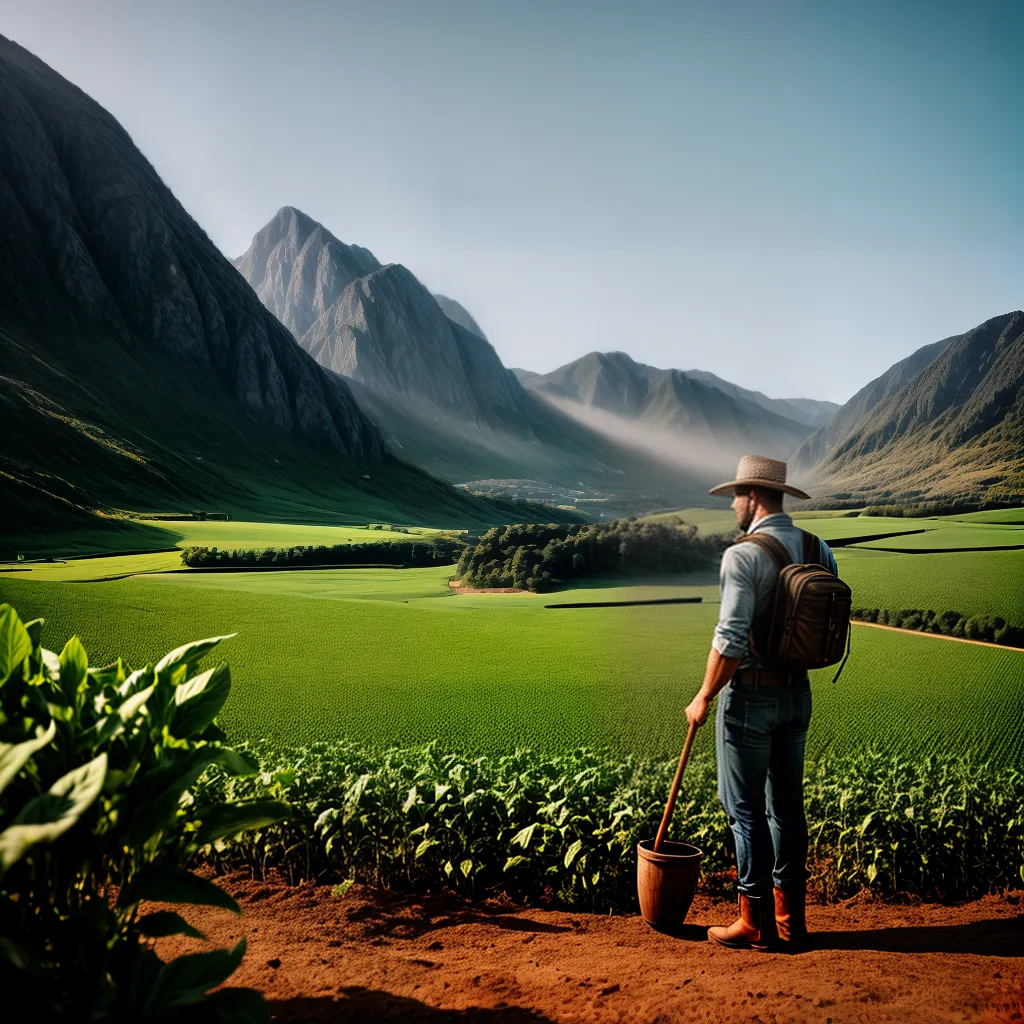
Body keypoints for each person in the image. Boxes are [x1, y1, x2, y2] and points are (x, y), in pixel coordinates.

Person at [684, 454, 838, 951]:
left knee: (744, 809)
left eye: (735, 496)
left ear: (753, 498)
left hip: (749, 696)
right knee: (787, 808)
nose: (732, 504)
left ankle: (752, 921)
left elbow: (730, 638)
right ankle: (792, 920)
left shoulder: (744, 555)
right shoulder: (820, 549)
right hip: (799, 693)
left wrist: (704, 695)